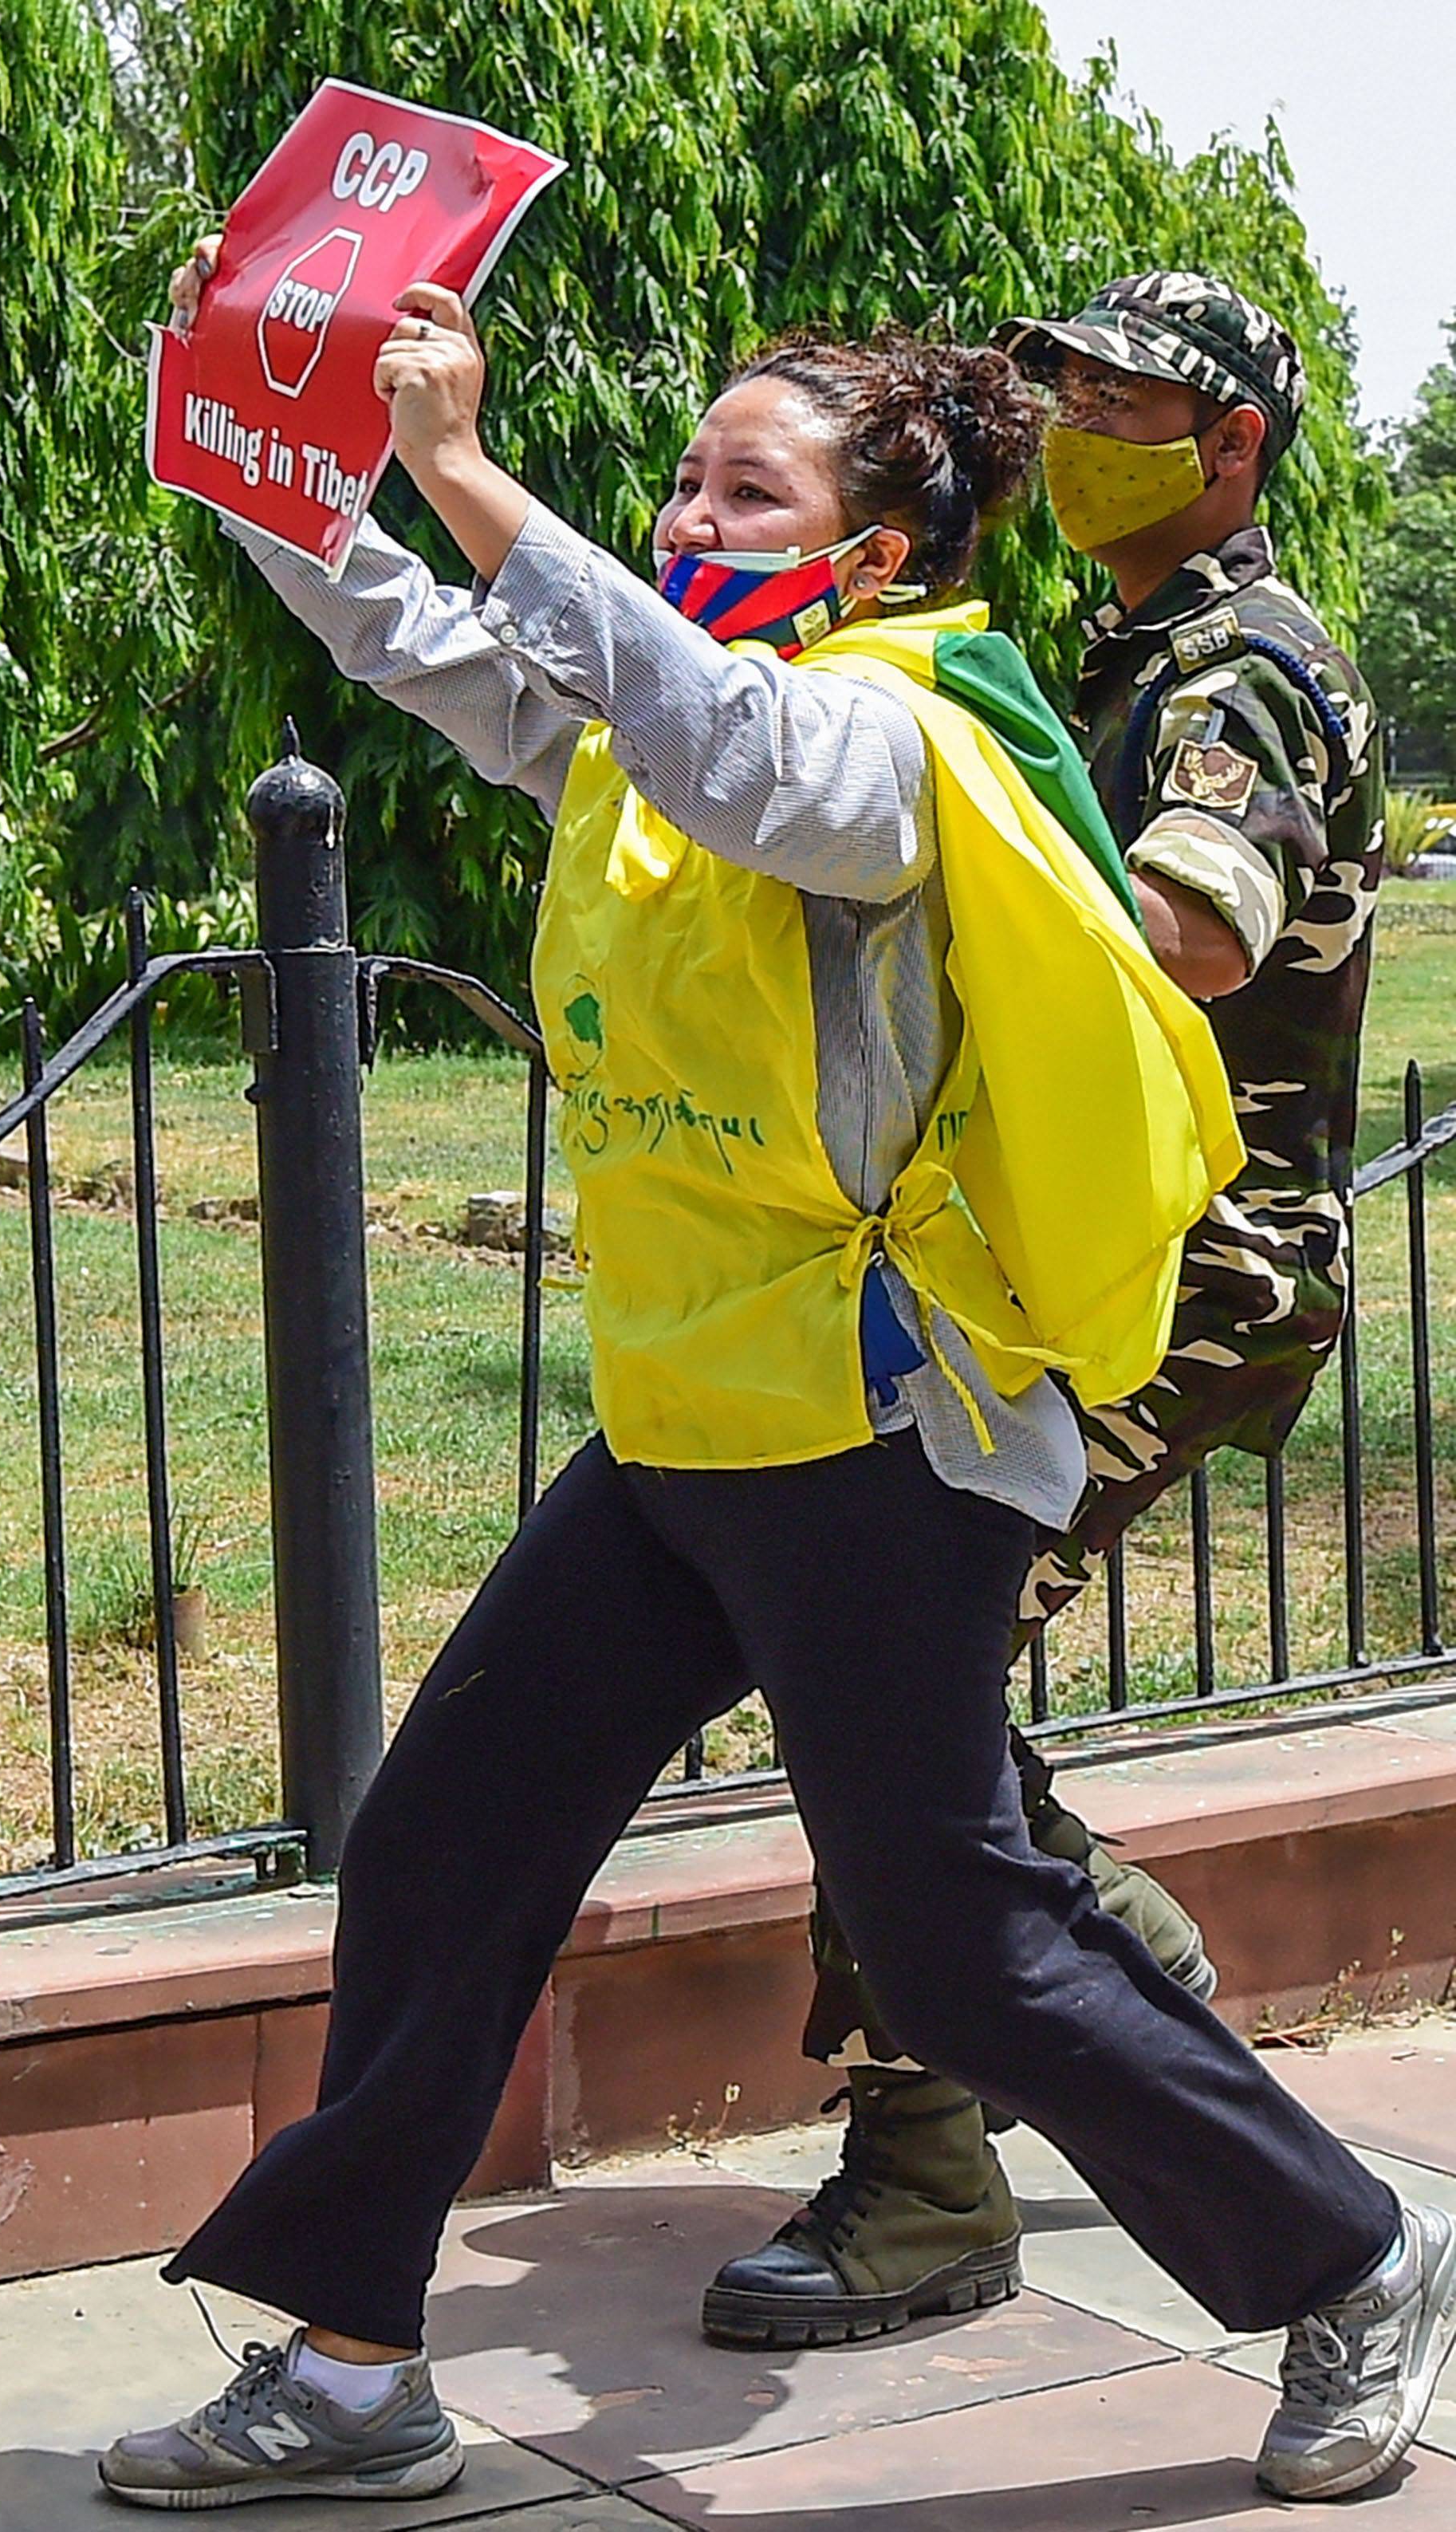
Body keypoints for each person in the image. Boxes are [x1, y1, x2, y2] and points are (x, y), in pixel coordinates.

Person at [96, 246, 1450, 2512]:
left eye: (747, 486)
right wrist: (240, 435)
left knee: (955, 1932)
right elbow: (421, 639)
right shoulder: (663, 713)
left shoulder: (894, 731)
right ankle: (349, 2366)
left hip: (886, 1433)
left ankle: (1349, 2250)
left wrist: (458, 463)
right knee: (440, 1848)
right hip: (688, 1420)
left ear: (873, 551)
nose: (689, 514)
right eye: (684, 483)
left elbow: (729, 748)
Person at [703, 270, 1385, 2352]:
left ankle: (930, 2179)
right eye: (1059, 385)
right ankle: (1122, 1995)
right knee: (903, 1690)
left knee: (890, 1662)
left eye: (1120, 397)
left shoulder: (1235, 665)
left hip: (1193, 1267)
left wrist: (986, 830)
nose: (1070, 416)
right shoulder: (1120, 648)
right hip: (1075, 1262)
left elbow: (1186, 921)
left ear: (1231, 446)